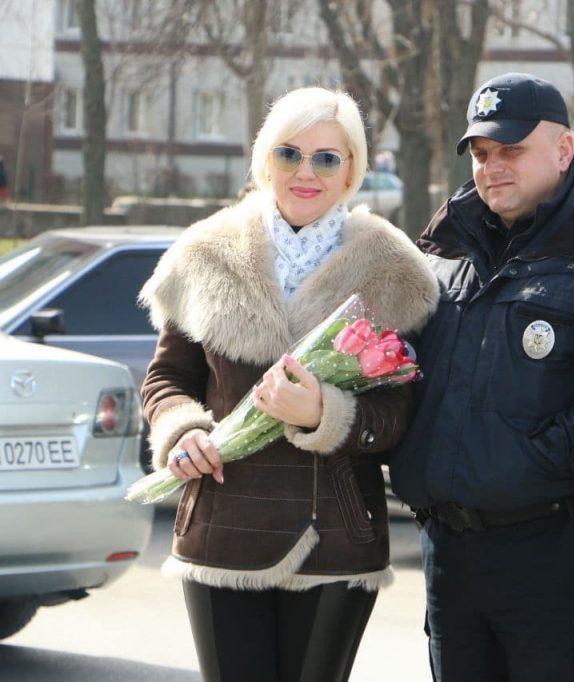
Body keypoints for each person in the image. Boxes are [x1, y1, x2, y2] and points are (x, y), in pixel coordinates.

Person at [139, 87, 439, 682]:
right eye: (289, 154)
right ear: (264, 160)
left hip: (336, 538)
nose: (306, 172)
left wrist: (324, 412)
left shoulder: (392, 268)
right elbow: (167, 380)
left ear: (352, 167)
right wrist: (184, 432)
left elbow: (399, 414)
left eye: (327, 158)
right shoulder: (206, 254)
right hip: (223, 529)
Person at [387, 72, 574, 681]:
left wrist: (524, 465)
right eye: (481, 153)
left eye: (511, 150)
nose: (491, 167)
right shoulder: (442, 255)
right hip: (452, 563)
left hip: (560, 558)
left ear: (564, 151)